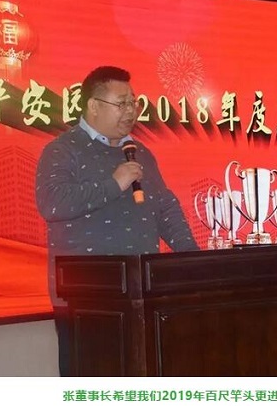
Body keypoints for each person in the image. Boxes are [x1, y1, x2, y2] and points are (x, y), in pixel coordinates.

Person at [35, 66, 199, 376]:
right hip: (86, 299)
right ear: (93, 105)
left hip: (142, 294)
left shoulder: (139, 152)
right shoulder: (62, 150)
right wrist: (114, 183)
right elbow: (52, 203)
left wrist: (192, 258)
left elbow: (164, 207)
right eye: (121, 103)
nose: (131, 111)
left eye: (133, 102)